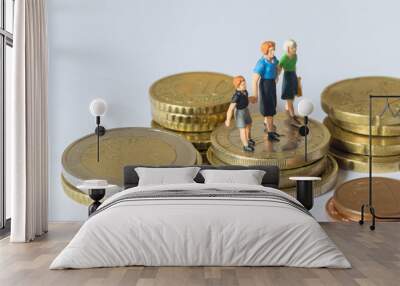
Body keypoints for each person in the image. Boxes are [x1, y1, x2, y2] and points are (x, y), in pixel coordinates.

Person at [251, 41, 281, 142]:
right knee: (269, 110)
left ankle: (267, 124)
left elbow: (277, 66)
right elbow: (254, 80)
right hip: (265, 86)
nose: (273, 52)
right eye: (271, 50)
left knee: (272, 105)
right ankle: (270, 132)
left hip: (272, 84)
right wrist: (255, 95)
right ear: (265, 51)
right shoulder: (262, 63)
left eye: (273, 50)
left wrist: (277, 74)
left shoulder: (274, 59)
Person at [225, 76, 255, 152]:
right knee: (243, 129)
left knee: (249, 125)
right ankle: (245, 145)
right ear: (237, 86)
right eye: (243, 85)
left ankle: (248, 139)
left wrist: (251, 99)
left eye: (245, 84)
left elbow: (246, 99)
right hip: (240, 113)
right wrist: (228, 120)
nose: (245, 86)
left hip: (246, 110)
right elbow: (230, 109)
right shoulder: (236, 96)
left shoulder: (245, 91)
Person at [279, 39, 301, 125]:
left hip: (293, 75)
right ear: (288, 48)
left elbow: (294, 66)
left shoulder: (295, 56)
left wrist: (297, 79)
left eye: (295, 47)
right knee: (289, 98)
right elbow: (279, 68)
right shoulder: (284, 58)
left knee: (293, 94)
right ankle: (292, 116)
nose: (295, 49)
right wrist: (276, 76)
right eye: (293, 47)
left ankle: (288, 110)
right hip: (287, 76)